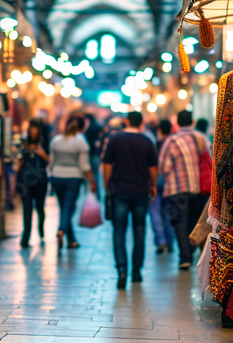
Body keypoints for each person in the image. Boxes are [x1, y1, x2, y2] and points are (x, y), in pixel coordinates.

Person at [103, 111, 158, 289]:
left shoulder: (115, 139)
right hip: (141, 192)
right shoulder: (146, 141)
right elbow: (153, 168)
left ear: (126, 122)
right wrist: (153, 186)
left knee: (119, 231)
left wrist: (107, 187)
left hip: (120, 192)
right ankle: (136, 271)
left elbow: (107, 166)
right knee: (139, 232)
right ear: (141, 123)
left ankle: (121, 270)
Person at [158, 110, 213, 270]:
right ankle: (195, 251)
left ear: (178, 123)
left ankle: (185, 257)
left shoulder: (172, 140)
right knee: (194, 221)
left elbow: (164, 166)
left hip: (177, 188)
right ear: (192, 122)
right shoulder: (200, 138)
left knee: (180, 222)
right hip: (199, 188)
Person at [49, 116, 98, 250]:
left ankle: (71, 240)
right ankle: (61, 229)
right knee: (69, 207)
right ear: (82, 128)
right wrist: (92, 181)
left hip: (57, 176)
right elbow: (84, 165)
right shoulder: (81, 142)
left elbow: (51, 162)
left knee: (64, 207)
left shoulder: (56, 140)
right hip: (74, 178)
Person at [15, 119, 49, 248]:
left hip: (40, 180)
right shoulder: (24, 144)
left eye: (36, 131)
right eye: (32, 131)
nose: (33, 133)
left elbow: (50, 161)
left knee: (40, 207)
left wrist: (42, 154)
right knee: (27, 208)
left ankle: (41, 230)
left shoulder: (44, 143)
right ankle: (26, 237)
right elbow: (19, 161)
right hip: (25, 180)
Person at [149, 119, 176, 254]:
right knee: (169, 212)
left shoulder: (154, 145)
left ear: (159, 130)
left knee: (155, 212)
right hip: (169, 182)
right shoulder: (173, 145)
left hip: (154, 181)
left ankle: (160, 241)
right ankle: (170, 241)